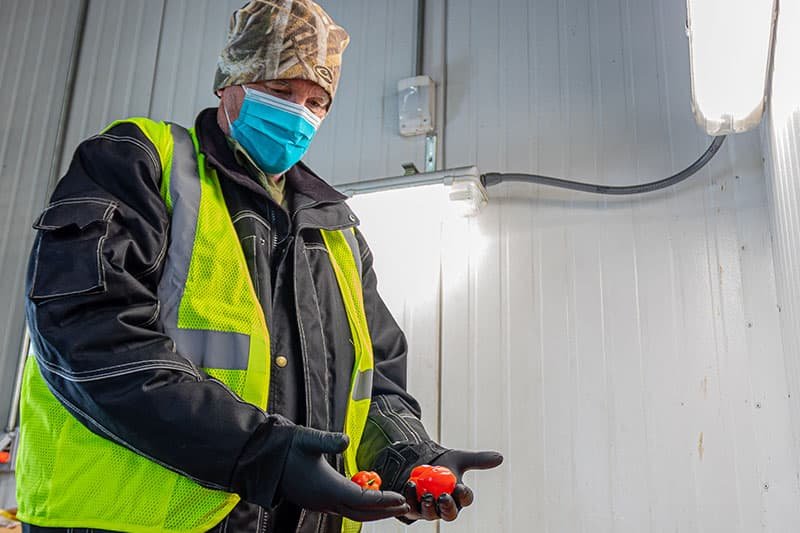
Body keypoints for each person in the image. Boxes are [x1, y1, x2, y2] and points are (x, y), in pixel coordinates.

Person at [16, 1, 502, 532]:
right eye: (279, 91)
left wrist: (409, 457)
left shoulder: (337, 232)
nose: (299, 114)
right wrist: (261, 453)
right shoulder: (142, 164)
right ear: (229, 83)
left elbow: (376, 383)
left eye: (316, 101)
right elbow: (90, 336)